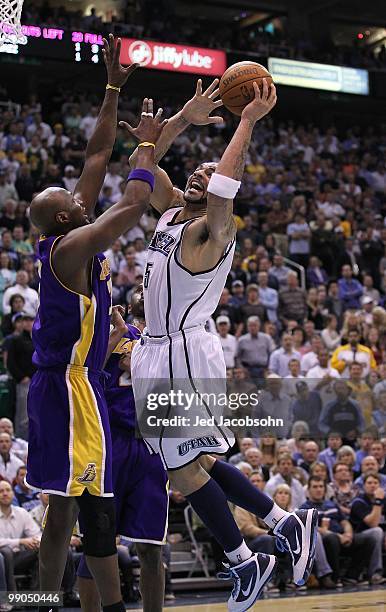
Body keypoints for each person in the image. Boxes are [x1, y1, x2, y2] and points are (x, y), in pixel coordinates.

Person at [130, 81, 317, 611]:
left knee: (181, 466)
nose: (200, 173)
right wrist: (182, 121)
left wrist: (248, 120)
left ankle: (244, 558)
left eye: (210, 172)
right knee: (199, 464)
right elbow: (142, 173)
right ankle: (284, 522)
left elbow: (224, 189)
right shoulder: (170, 213)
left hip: (184, 354)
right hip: (156, 350)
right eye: (198, 168)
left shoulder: (216, 230)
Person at [25, 35, 167, 612]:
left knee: (67, 512)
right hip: (68, 388)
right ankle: (37, 602)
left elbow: (93, 157)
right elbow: (132, 208)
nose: (84, 193)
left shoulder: (67, 233)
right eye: (75, 198)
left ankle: (32, 603)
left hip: (69, 385)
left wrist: (111, 89)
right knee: (83, 513)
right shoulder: (71, 247)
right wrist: (148, 154)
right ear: (66, 215)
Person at [78, 290, 168, 612]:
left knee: (151, 548)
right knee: (100, 539)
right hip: (109, 443)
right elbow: (84, 376)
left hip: (149, 446)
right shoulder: (99, 340)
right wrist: (113, 336)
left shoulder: (160, 341)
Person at [300, 476, 373, 586]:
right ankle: (334, 578)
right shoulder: (305, 508)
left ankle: (351, 576)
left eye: (321, 486)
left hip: (342, 536)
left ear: (325, 489)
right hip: (324, 540)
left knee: (368, 540)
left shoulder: (332, 504)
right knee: (331, 539)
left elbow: (344, 521)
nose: (318, 489)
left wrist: (348, 533)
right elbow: (312, 528)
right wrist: (339, 536)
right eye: (315, 487)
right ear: (309, 490)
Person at [0, 480, 41, 592]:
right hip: (3, 559)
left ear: (13, 494)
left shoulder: (21, 513)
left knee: (40, 550)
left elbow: (37, 534)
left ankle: (37, 598)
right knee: (5, 552)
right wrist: (20, 541)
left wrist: (35, 541)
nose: (5, 493)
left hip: (19, 558)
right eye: (1, 491)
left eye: (8, 490)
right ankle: (10, 597)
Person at [350, 472, 386, 584]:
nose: (373, 485)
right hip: (359, 536)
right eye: (369, 483)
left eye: (376, 483)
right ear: (364, 486)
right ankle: (375, 573)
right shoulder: (358, 502)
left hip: (380, 534)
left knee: (380, 532)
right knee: (377, 531)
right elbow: (373, 523)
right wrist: (378, 502)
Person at [6, 313, 35, 440]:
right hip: (25, 382)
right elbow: (10, 362)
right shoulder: (16, 340)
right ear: (22, 323)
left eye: (31, 320)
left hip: (40, 381)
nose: (28, 323)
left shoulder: (38, 340)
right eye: (26, 321)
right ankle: (21, 442)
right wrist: (21, 377)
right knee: (23, 416)